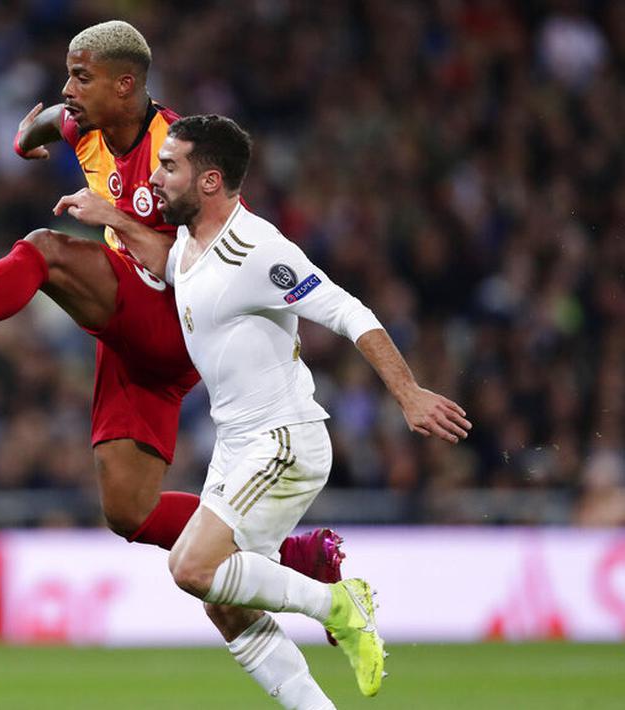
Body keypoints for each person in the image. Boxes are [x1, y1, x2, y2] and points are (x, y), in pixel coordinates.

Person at [0, 20, 344, 585]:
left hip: (177, 318)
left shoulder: (177, 153)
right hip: (129, 336)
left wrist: (114, 219)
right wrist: (23, 142)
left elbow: (211, 265)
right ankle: (295, 556)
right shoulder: (83, 125)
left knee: (46, 252)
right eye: (68, 75)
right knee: (128, 510)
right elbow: (46, 123)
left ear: (125, 85)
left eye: (82, 78)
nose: (68, 89)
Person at [54, 114, 473, 705]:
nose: (157, 176)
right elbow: (166, 262)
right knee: (222, 601)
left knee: (190, 567)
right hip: (238, 447)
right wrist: (113, 217)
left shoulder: (259, 250)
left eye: (170, 166)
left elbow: (348, 310)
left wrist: (408, 392)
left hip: (283, 441)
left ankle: (336, 603)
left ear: (209, 181)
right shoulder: (195, 246)